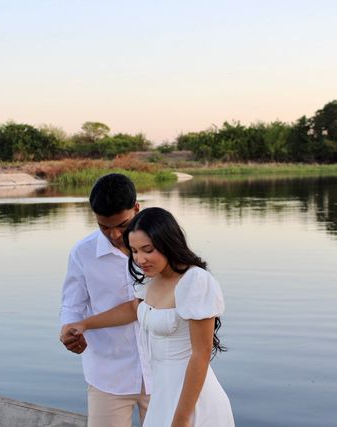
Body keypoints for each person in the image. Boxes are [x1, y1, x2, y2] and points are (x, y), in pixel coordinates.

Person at [67, 207, 235, 427]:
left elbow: (200, 355)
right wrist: (84, 324)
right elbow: (132, 310)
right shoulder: (152, 279)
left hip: (191, 400)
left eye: (148, 250)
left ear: (168, 243)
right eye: (134, 251)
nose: (140, 259)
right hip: (161, 393)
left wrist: (181, 419)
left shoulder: (195, 281)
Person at [59, 173, 150, 427]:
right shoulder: (82, 253)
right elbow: (72, 305)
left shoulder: (160, 246)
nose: (115, 234)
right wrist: (68, 330)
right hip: (108, 374)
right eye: (104, 227)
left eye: (122, 225)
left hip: (161, 371)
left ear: (136, 208)